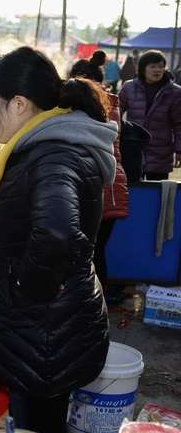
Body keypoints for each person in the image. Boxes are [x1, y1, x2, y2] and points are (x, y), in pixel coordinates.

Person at [0, 46, 115, 433]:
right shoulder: (46, 146)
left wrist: (23, 287)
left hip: (44, 335)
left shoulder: (53, 153)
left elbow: (58, 233)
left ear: (18, 103)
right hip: (45, 333)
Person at [69, 64, 129, 303]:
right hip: (112, 188)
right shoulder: (108, 106)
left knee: (89, 253)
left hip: (106, 191)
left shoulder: (94, 113)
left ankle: (93, 303)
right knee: (94, 251)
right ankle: (96, 301)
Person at [119, 50, 181, 180]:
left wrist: (179, 149)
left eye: (160, 66)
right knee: (132, 190)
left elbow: (179, 123)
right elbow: (116, 114)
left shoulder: (175, 92)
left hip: (161, 151)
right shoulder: (129, 87)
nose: (157, 70)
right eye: (152, 66)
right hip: (133, 148)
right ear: (142, 68)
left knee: (157, 192)